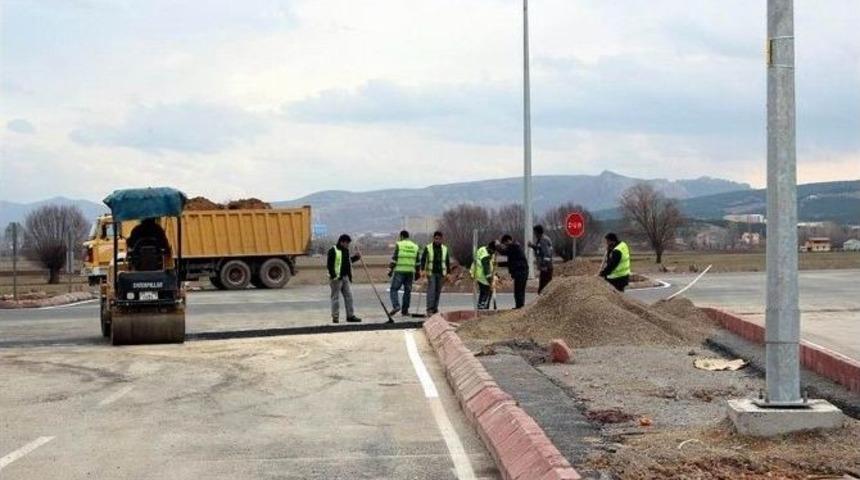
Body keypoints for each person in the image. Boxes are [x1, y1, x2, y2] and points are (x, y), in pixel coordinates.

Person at [327, 234, 363, 323]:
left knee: (349, 297)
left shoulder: (346, 251)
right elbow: (330, 265)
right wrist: (334, 276)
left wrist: (356, 257)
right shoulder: (333, 250)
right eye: (347, 243)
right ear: (342, 242)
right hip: (336, 279)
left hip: (345, 277)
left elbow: (348, 262)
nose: (348, 245)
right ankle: (335, 317)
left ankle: (350, 316)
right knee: (335, 298)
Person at [388, 230, 420, 316]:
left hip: (400, 271)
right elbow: (417, 262)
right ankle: (405, 311)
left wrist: (390, 269)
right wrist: (417, 273)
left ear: (401, 236)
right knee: (407, 291)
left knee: (394, 289)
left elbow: (395, 259)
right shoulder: (415, 246)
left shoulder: (399, 244)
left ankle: (396, 306)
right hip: (410, 272)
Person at [419, 231, 451, 315]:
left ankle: (435, 309)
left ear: (442, 239)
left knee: (438, 291)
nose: (437, 240)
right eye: (436, 238)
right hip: (431, 273)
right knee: (431, 291)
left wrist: (448, 273)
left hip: (441, 273)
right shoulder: (428, 247)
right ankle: (429, 309)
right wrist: (422, 270)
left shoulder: (444, 249)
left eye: (439, 239)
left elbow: (447, 261)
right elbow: (423, 259)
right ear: (433, 238)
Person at [497, 234, 529, 309]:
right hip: (521, 271)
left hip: (521, 272)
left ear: (508, 241)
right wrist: (498, 264)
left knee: (519, 291)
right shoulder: (514, 248)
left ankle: (519, 308)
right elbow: (510, 263)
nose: (505, 246)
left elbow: (502, 252)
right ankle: (519, 307)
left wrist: (497, 245)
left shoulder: (514, 246)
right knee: (519, 291)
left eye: (504, 244)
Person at [471, 240, 497, 310]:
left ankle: (480, 308)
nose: (494, 253)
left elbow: (491, 265)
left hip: (477, 274)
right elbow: (486, 270)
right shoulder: (485, 256)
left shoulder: (483, 249)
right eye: (494, 251)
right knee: (486, 292)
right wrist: (490, 282)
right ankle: (483, 309)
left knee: (483, 292)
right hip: (482, 275)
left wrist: (495, 274)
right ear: (491, 249)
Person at [528, 225, 554, 293]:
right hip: (545, 268)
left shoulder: (543, 240)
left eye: (535, 232)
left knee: (543, 288)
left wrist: (544, 264)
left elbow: (547, 254)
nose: (534, 234)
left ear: (537, 232)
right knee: (542, 287)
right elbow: (540, 249)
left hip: (546, 268)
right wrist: (532, 246)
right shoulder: (541, 240)